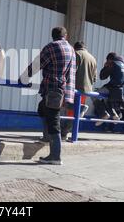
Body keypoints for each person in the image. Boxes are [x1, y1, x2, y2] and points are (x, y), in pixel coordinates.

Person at [21, 27, 76, 165]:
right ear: (66, 36)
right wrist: (68, 97)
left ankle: (55, 156)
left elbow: (36, 64)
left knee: (53, 121)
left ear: (53, 36)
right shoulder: (71, 49)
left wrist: (24, 78)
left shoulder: (51, 47)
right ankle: (46, 138)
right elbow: (71, 74)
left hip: (51, 89)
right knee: (42, 109)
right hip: (60, 90)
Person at [60, 42, 97, 140]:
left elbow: (71, 71)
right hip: (86, 90)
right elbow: (94, 78)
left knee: (64, 109)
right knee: (74, 114)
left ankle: (62, 134)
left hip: (74, 88)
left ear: (74, 48)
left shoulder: (76, 54)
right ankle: (64, 134)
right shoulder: (93, 58)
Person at [94, 52, 124, 126]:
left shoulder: (113, 63)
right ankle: (115, 115)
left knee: (95, 95)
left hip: (115, 89)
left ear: (109, 59)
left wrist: (105, 66)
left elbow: (102, 77)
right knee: (107, 97)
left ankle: (104, 114)